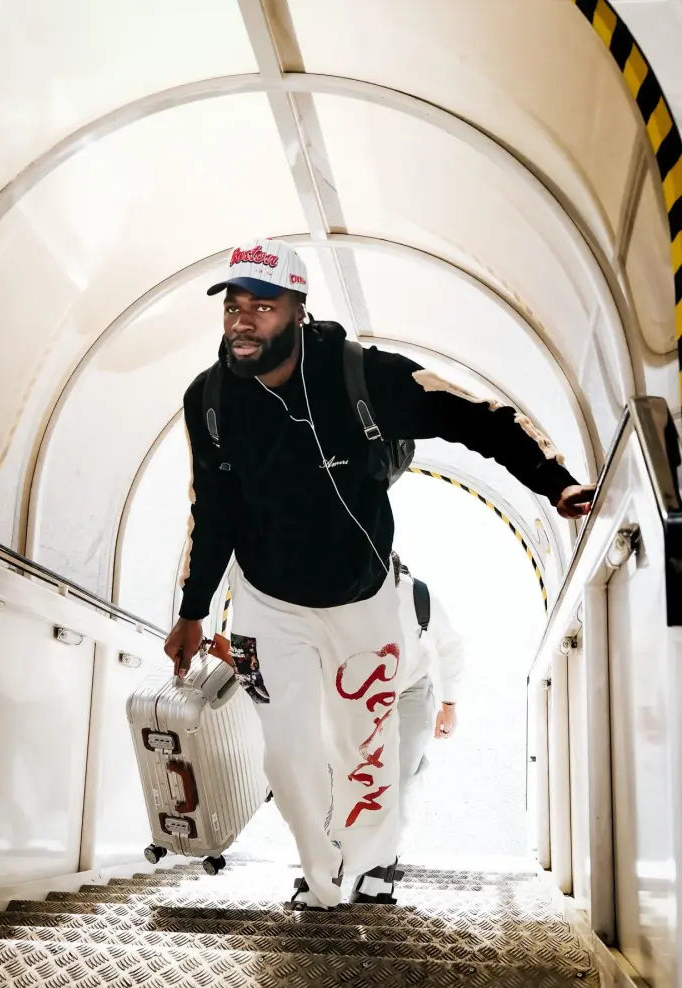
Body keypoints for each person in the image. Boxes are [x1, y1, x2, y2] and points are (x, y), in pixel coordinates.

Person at [164, 237, 595, 911]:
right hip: (266, 603)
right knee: (286, 758)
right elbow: (212, 508)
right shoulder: (211, 399)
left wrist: (552, 482)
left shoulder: (358, 375)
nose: (243, 321)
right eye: (234, 306)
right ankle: (324, 881)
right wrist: (192, 611)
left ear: (299, 311)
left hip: (361, 602)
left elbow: (472, 418)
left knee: (365, 757)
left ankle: (364, 865)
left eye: (263, 307)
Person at [392, 551, 464, 849]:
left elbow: (450, 647)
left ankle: (384, 858)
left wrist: (449, 705)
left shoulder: (416, 595)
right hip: (355, 693)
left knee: (402, 775)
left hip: (409, 688)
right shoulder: (337, 593)